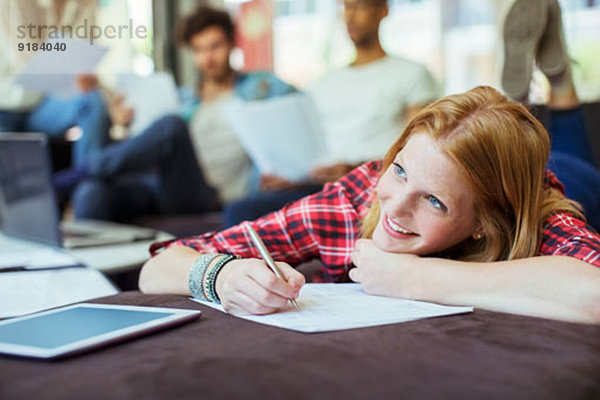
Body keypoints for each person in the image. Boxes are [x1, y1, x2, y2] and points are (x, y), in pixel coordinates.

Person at [138, 85, 600, 324]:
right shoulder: (356, 197)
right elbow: (155, 269)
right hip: (499, 169)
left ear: (483, 222)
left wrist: (416, 277)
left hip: (565, 181)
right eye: (398, 169)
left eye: (434, 201)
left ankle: (554, 93)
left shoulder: (537, 216)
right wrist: (222, 275)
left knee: (575, 162)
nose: (395, 208)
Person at [222, 0, 438, 227]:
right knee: (242, 211)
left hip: (369, 184)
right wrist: (291, 177)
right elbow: (309, 147)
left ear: (382, 10)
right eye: (345, 7)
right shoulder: (323, 83)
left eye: (359, 7)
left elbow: (420, 153)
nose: (350, 16)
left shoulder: (410, 74)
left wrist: (354, 170)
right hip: (317, 186)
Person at [68, 6, 295, 221]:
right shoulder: (184, 99)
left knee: (172, 125)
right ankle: (85, 177)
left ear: (232, 44)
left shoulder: (259, 88)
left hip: (207, 196)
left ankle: (81, 171)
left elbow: (298, 109)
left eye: (215, 46)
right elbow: (150, 146)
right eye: (199, 49)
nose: (207, 58)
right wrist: (123, 123)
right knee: (91, 192)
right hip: (165, 183)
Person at [501, 0, 599, 229]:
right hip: (541, 181)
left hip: (558, 187)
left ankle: (553, 82)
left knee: (569, 173)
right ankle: (523, 99)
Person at [0, 0, 111, 166]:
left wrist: (107, 96)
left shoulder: (83, 4)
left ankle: (88, 182)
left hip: (41, 105)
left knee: (92, 100)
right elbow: (25, 54)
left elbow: (82, 62)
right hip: (5, 106)